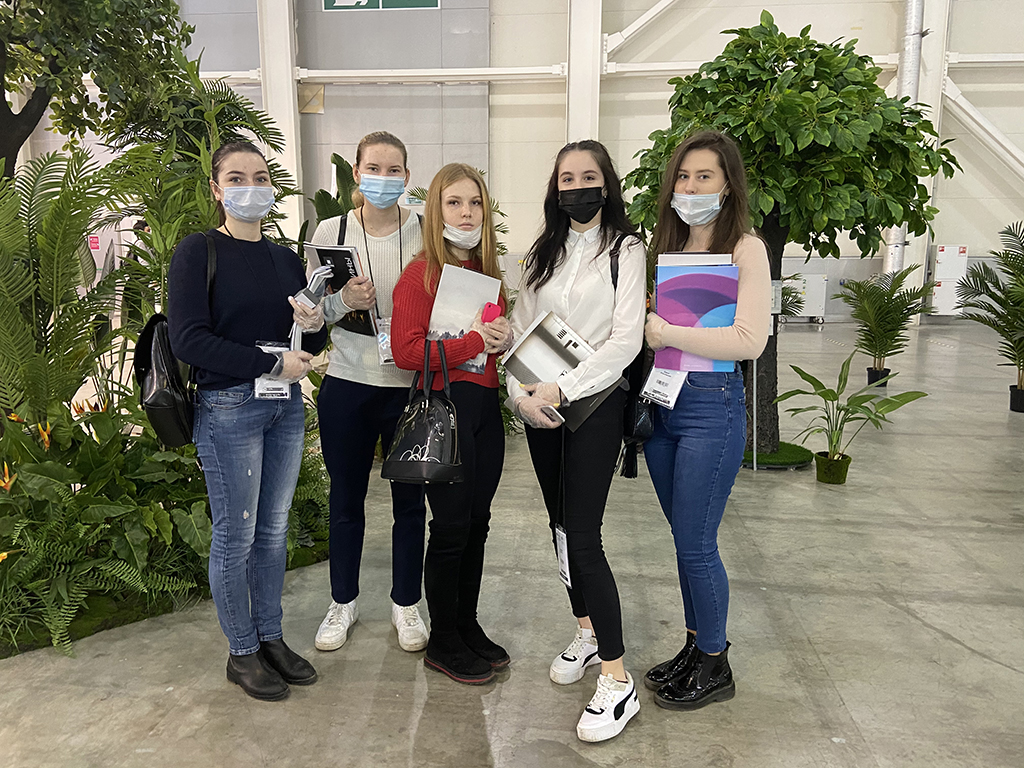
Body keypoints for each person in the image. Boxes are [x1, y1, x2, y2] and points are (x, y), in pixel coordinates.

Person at [168, 140, 329, 701]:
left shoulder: (284, 260)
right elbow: (189, 340)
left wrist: (314, 325)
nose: (250, 187)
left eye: (260, 177)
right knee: (235, 536)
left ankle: (270, 637)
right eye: (236, 178)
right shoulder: (198, 251)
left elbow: (307, 342)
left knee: (273, 531)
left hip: (284, 405)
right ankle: (241, 651)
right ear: (217, 189)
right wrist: (268, 363)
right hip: (228, 407)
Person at [506, 140, 645, 742]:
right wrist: (520, 395)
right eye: (567, 178)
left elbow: (626, 340)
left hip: (593, 405)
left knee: (585, 535)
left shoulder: (627, 249)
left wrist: (562, 388)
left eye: (588, 176)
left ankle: (617, 678)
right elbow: (520, 329)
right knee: (560, 526)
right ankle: (586, 630)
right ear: (555, 188)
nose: (577, 187)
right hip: (539, 405)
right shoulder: (542, 251)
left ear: (606, 184)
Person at [642, 130, 770, 710]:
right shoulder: (668, 249)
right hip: (663, 402)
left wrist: (666, 331)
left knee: (696, 544)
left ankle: (716, 663)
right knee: (682, 539)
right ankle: (696, 646)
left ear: (728, 185)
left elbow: (748, 340)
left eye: (705, 177)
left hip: (711, 406)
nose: (691, 188)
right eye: (684, 176)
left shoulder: (745, 249)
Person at [390, 163, 513, 685]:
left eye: (475, 203)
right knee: (451, 529)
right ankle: (442, 639)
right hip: (445, 411)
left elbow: (490, 352)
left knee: (478, 524)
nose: (466, 213)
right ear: (435, 210)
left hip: (484, 409)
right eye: (454, 202)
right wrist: (474, 342)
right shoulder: (420, 276)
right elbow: (405, 352)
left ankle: (466, 623)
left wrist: (502, 339)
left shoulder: (487, 276)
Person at [310, 131, 429, 655]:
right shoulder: (331, 232)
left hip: (408, 386)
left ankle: (407, 603)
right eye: (373, 169)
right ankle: (343, 601)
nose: (384, 178)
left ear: (407, 176)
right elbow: (312, 313)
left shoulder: (426, 232)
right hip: (347, 384)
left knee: (410, 502)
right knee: (346, 499)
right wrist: (343, 302)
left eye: (394, 169)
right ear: (356, 174)